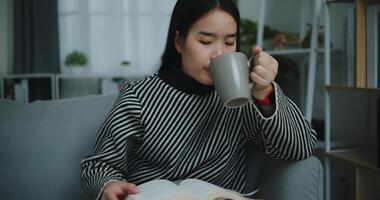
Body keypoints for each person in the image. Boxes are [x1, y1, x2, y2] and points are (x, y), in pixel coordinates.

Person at [81, 0, 317, 199]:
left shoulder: (242, 96)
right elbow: (99, 165)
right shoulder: (140, 97)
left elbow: (302, 147)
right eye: (205, 41)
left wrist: (265, 94)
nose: (218, 54)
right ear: (179, 42)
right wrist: (108, 185)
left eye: (229, 42)